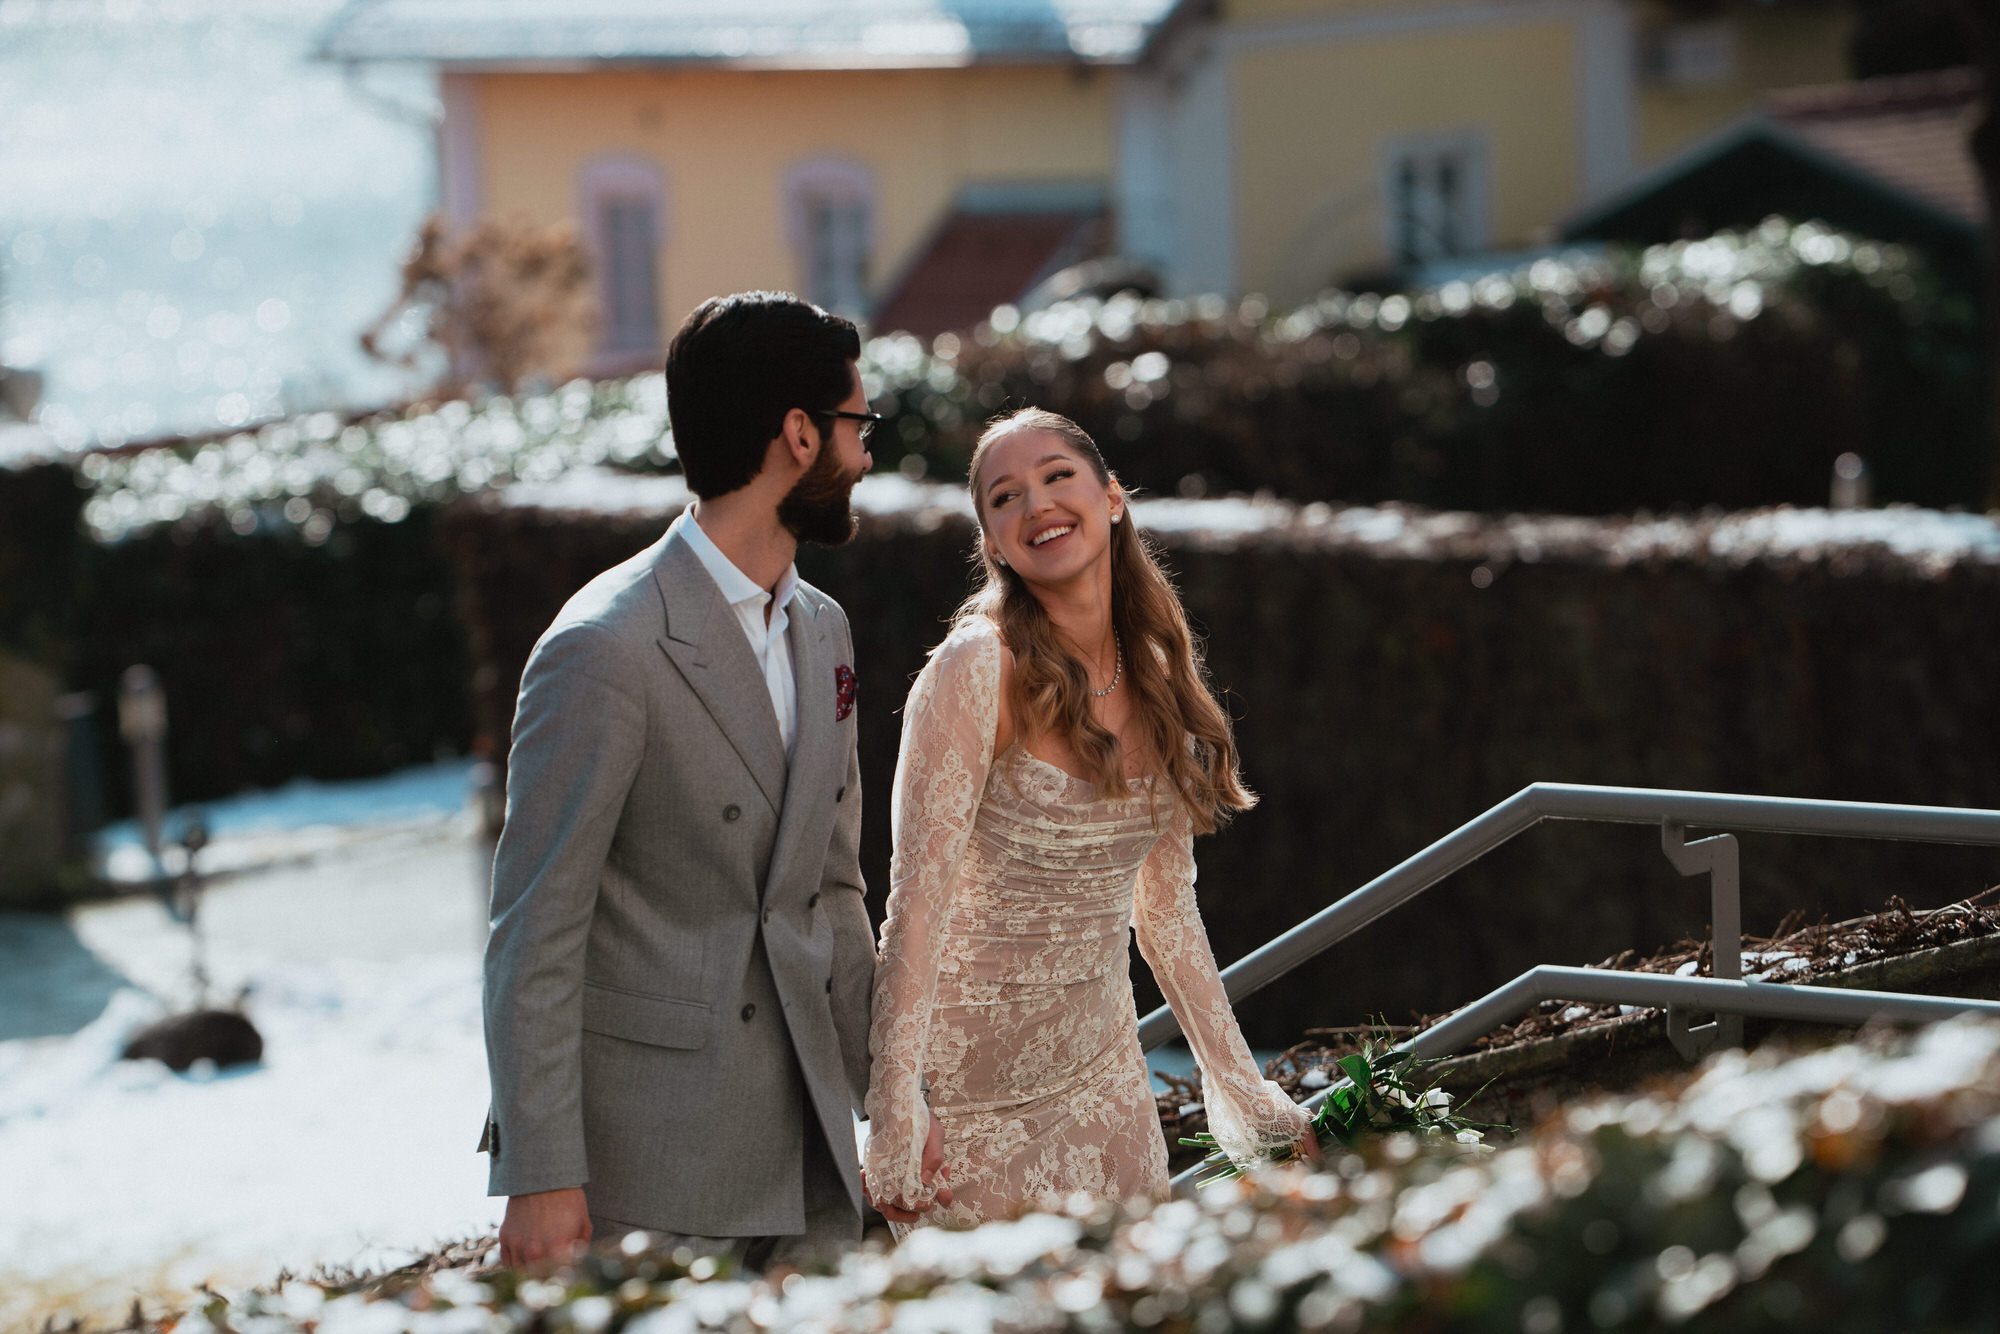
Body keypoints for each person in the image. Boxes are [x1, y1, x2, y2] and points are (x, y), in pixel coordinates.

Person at [479, 291, 945, 1271]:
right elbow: (536, 927)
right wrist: (539, 1170)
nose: (864, 456)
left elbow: (832, 891)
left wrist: (891, 1097)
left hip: (806, 1149)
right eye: (856, 426)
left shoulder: (822, 631)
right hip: (649, 1169)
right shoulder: (605, 648)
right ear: (797, 436)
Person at [863, 408, 1317, 1229]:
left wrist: (1246, 1091)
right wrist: (897, 1104)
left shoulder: (1158, 674)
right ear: (993, 544)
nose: (1036, 504)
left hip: (1105, 1084)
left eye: (1056, 476)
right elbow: (914, 905)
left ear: (1111, 499)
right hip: (970, 1105)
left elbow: (1167, 912)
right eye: (1006, 497)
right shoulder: (974, 670)